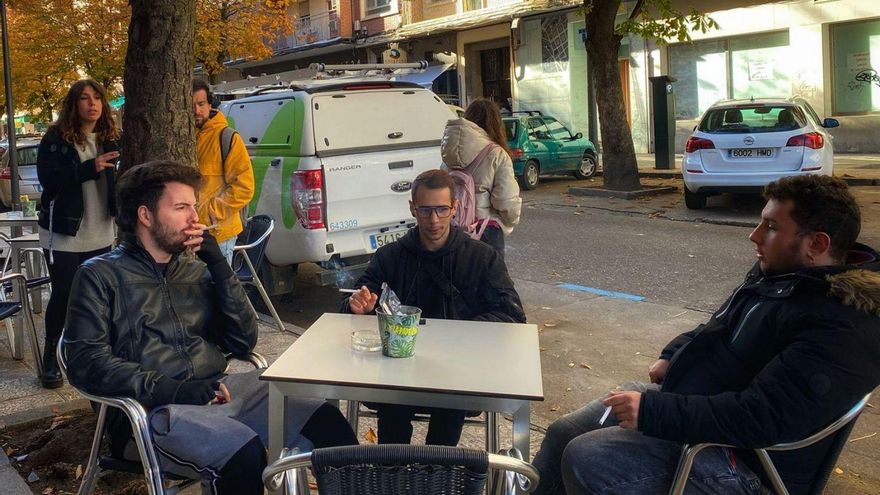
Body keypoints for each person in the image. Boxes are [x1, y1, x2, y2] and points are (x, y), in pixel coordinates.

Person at [531, 174, 880, 495]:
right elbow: (718, 326)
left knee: (587, 456)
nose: (754, 235)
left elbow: (762, 417)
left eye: (771, 227)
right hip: (699, 410)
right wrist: (673, 353)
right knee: (565, 432)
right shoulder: (781, 275)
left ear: (817, 244)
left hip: (749, 464)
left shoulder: (845, 322)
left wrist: (655, 412)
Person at [64, 161, 357, 495]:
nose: (194, 217)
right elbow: (87, 362)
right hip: (154, 412)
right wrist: (175, 390)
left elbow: (243, 340)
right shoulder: (100, 276)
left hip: (221, 392)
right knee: (243, 455)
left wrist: (219, 268)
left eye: (194, 206)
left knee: (328, 422)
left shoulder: (194, 272)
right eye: (181, 207)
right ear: (146, 216)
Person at [341, 169, 526, 445]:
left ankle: (438, 469)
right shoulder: (391, 256)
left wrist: (459, 332)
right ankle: (391, 469)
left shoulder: (481, 258)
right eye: (426, 210)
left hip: (459, 373)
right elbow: (353, 302)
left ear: (455, 208)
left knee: (451, 395)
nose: (434, 220)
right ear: (412, 209)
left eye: (441, 209)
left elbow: (512, 316)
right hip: (398, 374)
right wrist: (359, 306)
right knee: (392, 401)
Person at [36, 79, 120, 389]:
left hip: (102, 231)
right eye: (84, 98)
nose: (92, 103)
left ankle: (93, 354)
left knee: (98, 298)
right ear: (74, 104)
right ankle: (50, 359)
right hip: (65, 233)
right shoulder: (56, 138)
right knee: (64, 296)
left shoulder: (111, 138)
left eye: (97, 97)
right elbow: (50, 181)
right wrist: (90, 167)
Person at [441, 98, 521, 259]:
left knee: (458, 279)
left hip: (452, 229)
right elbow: (506, 202)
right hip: (486, 230)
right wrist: (509, 222)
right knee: (492, 282)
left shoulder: (448, 155)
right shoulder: (496, 154)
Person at [192, 79, 255, 264]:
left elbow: (245, 188)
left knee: (217, 290)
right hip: (192, 233)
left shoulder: (227, 137)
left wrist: (211, 213)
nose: (197, 110)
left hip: (218, 233)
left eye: (201, 104)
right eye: (191, 105)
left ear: (210, 104)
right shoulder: (186, 136)